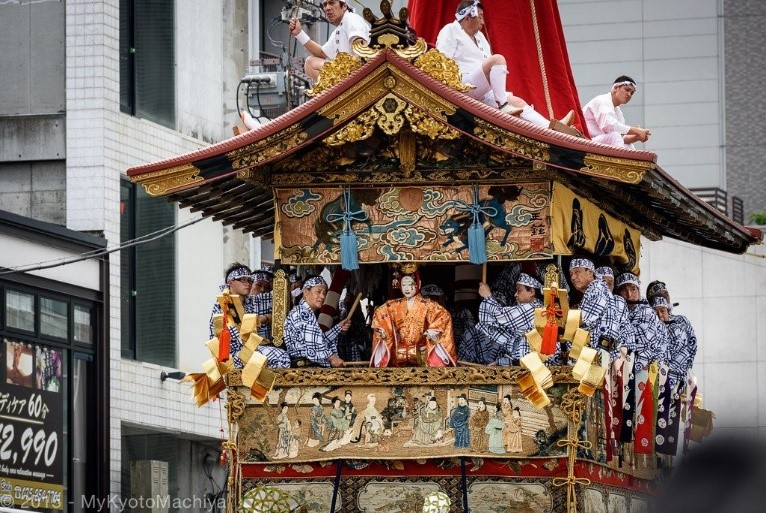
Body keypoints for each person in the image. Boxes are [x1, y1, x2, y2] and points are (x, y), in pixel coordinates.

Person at [435, 0, 575, 131]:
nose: (483, 22)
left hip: (483, 89)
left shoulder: (480, 37)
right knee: (498, 59)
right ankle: (503, 105)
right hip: (462, 85)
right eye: (480, 17)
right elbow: (441, 60)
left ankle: (551, 128)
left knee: (518, 102)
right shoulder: (450, 30)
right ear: (467, 17)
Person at [210, 263, 290, 368]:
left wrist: (264, 318)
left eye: (249, 280)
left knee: (281, 355)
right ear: (230, 282)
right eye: (242, 280)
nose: (247, 283)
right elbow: (236, 342)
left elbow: (279, 298)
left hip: (249, 349)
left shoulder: (250, 301)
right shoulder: (222, 307)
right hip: (231, 357)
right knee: (281, 357)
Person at [370, 274, 457, 367]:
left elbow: (443, 315)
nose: (406, 288)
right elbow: (380, 313)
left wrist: (433, 329)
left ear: (418, 284)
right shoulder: (393, 305)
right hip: (399, 355)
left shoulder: (428, 305)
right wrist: (382, 329)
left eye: (410, 284)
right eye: (403, 285)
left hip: (422, 354)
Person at [288, 0, 371, 81]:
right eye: (325, 5)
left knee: (310, 62)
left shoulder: (351, 19)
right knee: (310, 63)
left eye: (331, 3)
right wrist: (299, 34)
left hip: (359, 74)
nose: (327, 8)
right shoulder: (339, 28)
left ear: (344, 6)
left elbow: (362, 48)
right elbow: (322, 53)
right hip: (347, 74)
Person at [476, 272, 546, 365]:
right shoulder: (537, 308)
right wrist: (499, 362)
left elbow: (500, 316)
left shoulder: (532, 309)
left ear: (531, 292)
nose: (515, 295)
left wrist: (487, 296)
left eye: (519, 290)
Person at [283, 275, 350, 367]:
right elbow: (313, 344)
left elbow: (320, 340)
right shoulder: (302, 313)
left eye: (324, 293)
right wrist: (331, 357)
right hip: (304, 368)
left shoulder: (306, 312)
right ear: (306, 292)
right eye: (318, 292)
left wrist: (338, 328)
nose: (322, 296)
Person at [569, 258, 622, 361]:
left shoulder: (596, 288)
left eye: (577, 272)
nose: (573, 278)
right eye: (571, 274)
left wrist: (564, 324)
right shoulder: (597, 288)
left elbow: (585, 321)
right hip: (605, 348)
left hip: (600, 351)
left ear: (590, 273)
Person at [582, 75, 651, 148]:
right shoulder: (602, 100)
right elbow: (608, 125)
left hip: (597, 142)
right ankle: (622, 159)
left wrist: (636, 137)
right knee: (614, 136)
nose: (629, 94)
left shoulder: (618, 111)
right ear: (615, 88)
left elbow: (621, 138)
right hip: (585, 141)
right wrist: (636, 130)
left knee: (629, 146)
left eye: (632, 93)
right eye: (627, 90)